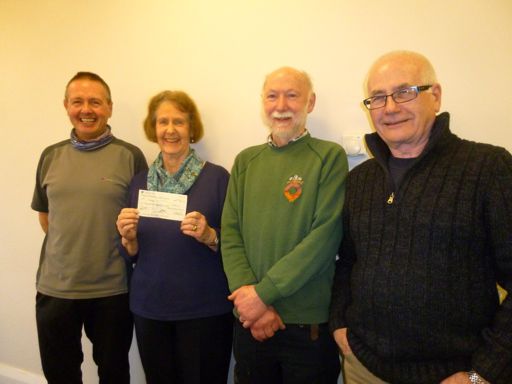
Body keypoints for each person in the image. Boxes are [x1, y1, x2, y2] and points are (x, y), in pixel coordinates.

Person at [329, 50, 512, 384]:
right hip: (364, 368)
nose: (390, 108)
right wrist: (339, 322)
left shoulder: (489, 169)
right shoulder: (360, 179)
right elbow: (348, 261)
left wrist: (484, 372)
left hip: (454, 375)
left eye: (405, 92)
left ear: (436, 96)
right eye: (378, 98)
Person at [221, 66, 348, 383]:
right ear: (262, 102)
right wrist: (252, 302)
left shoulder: (328, 156)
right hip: (250, 322)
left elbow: (325, 237)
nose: (281, 106)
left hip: (306, 326)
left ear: (311, 102)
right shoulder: (246, 161)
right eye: (272, 96)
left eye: (292, 96)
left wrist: (262, 295)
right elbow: (231, 234)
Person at [31, 72, 148, 383]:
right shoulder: (50, 156)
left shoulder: (130, 156)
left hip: (111, 289)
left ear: (109, 107)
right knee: (60, 374)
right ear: (66, 106)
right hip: (56, 289)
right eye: (78, 102)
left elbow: (141, 220)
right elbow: (46, 217)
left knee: (113, 373)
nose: (87, 109)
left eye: (95, 102)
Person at [116, 90, 233, 384]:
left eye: (179, 122)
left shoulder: (218, 179)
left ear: (191, 129)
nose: (170, 130)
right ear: (153, 129)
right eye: (162, 122)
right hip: (149, 310)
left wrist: (209, 235)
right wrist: (129, 240)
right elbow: (132, 253)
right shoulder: (139, 182)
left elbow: (236, 243)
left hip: (204, 311)